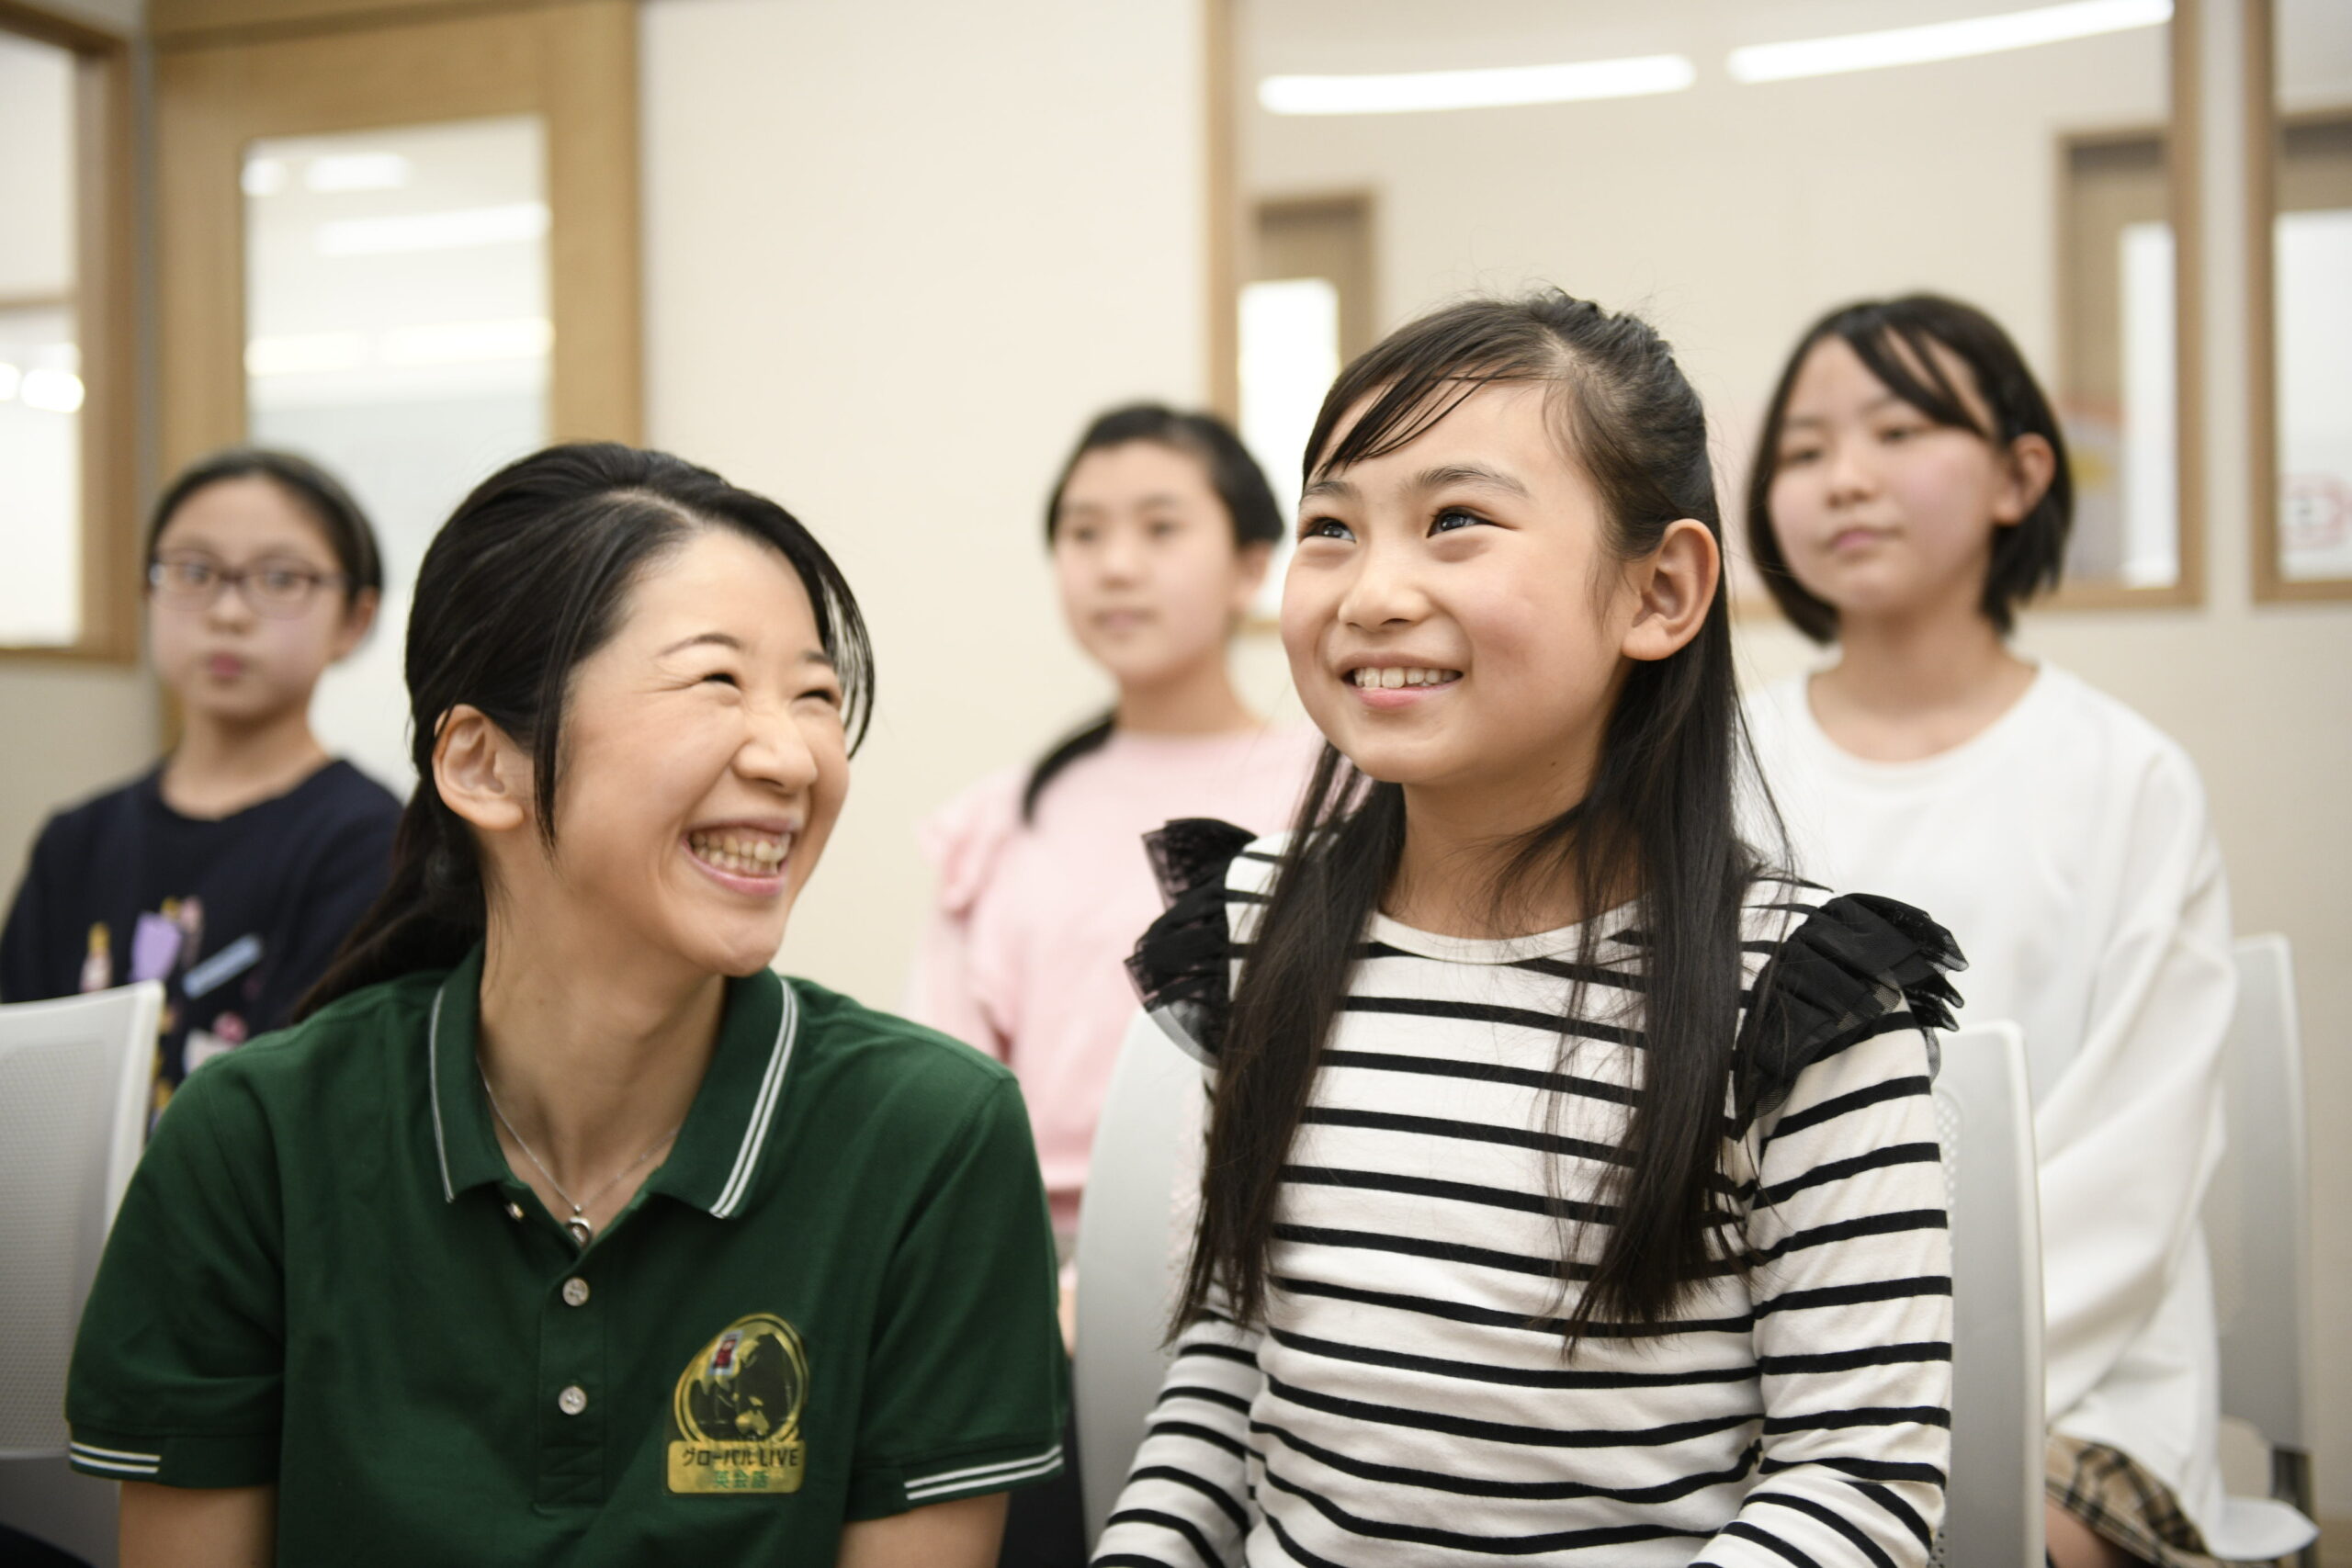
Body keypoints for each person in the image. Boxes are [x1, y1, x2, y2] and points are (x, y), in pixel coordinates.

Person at [64, 444, 1068, 1568]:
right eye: (717, 682)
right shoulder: (253, 1142)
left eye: (816, 697)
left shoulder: (932, 1138)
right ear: (481, 765)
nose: (792, 758)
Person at [1094, 292, 1960, 1568]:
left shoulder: (1798, 1001)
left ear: (1659, 590)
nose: (1372, 591)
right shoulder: (1261, 928)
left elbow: (1859, 1479)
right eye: (1331, 527)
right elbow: (1230, 1366)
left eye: (1456, 521)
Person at [1740, 295, 2234, 1568]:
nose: (1845, 477)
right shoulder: (1725, 770)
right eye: (1802, 449)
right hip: (1763, 1369)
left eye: (1899, 430)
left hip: (2074, 1379)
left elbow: (2135, 1156)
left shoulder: (2126, 777)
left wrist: (1918, 1370)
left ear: (2020, 475)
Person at [906, 404, 1318, 1239]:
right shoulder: (1000, 818)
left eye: (1161, 528)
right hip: (1028, 1249)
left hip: (1283, 1240)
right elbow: (936, 1091)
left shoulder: (1336, 791)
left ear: (1250, 566)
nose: (1116, 566)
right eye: (1084, 533)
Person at [0, 449, 400, 1109]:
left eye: (280, 578)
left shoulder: (372, 843)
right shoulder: (76, 841)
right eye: (194, 572)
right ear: (149, 592)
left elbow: (318, 1105)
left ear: (354, 619)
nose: (228, 612)